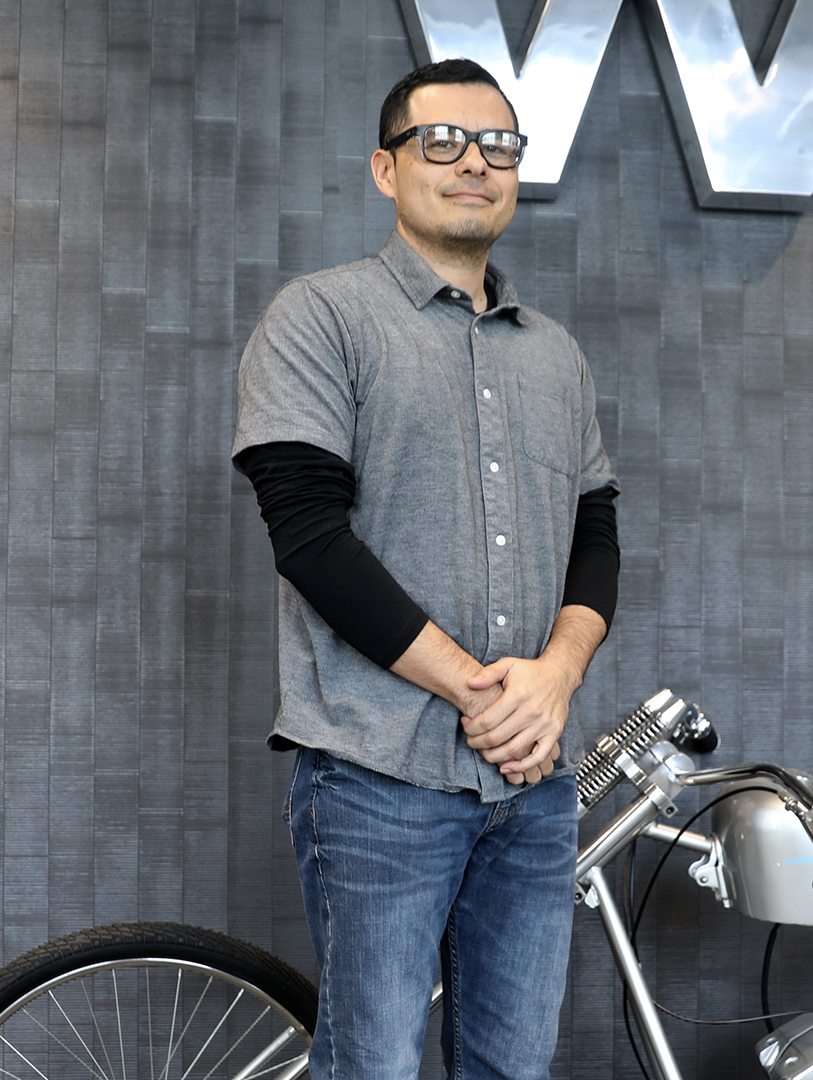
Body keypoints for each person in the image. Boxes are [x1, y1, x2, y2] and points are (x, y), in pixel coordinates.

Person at [230, 58, 619, 1080]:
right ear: (385, 169)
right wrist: (482, 694)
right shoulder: (320, 319)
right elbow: (309, 539)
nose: (474, 162)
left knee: (514, 1069)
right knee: (374, 1067)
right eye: (442, 141)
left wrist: (556, 679)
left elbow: (596, 536)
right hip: (378, 776)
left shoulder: (557, 356)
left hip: (533, 786)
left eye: (498, 145)